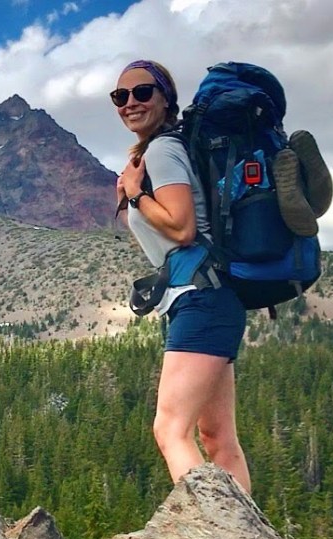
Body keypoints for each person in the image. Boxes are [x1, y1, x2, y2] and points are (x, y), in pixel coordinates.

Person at [112, 59, 251, 494]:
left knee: (170, 429)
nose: (131, 103)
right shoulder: (166, 148)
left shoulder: (163, 151)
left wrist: (136, 194)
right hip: (213, 297)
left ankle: (214, 538)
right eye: (121, 96)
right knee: (218, 439)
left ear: (166, 98)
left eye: (142, 92)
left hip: (201, 300)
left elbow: (182, 227)